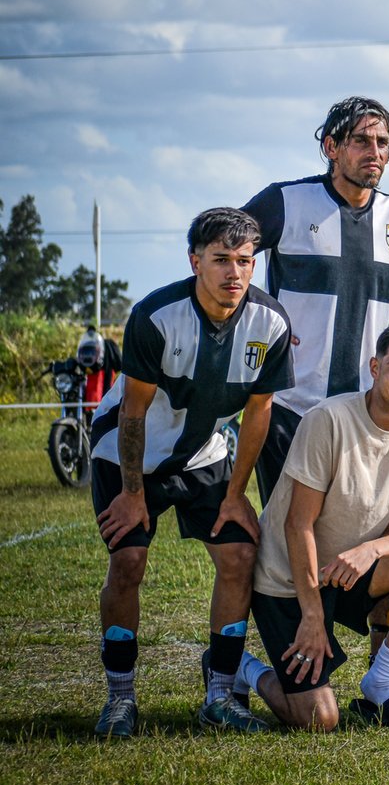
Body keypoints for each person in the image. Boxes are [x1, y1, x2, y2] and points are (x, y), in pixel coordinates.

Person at [87, 208, 294, 736]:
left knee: (239, 556)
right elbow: (133, 411)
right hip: (127, 453)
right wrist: (132, 492)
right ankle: (120, 698)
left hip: (203, 455)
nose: (234, 272)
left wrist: (236, 493)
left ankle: (220, 695)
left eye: (244, 261)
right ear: (194, 261)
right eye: (221, 259)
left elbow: (259, 411)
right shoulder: (157, 315)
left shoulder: (270, 322)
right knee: (129, 561)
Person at [241, 96, 389, 502]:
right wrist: (259, 319)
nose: (375, 152)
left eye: (383, 142)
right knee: (288, 530)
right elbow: (223, 253)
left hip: (363, 411)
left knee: (355, 528)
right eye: (361, 141)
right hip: (289, 406)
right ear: (331, 147)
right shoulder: (286, 201)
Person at [242, 323, 389, 731]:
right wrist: (311, 614)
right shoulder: (328, 419)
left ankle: (381, 681)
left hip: (348, 568)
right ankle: (241, 667)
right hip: (290, 578)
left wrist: (372, 549)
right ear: (375, 367)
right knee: (318, 718)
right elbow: (297, 524)